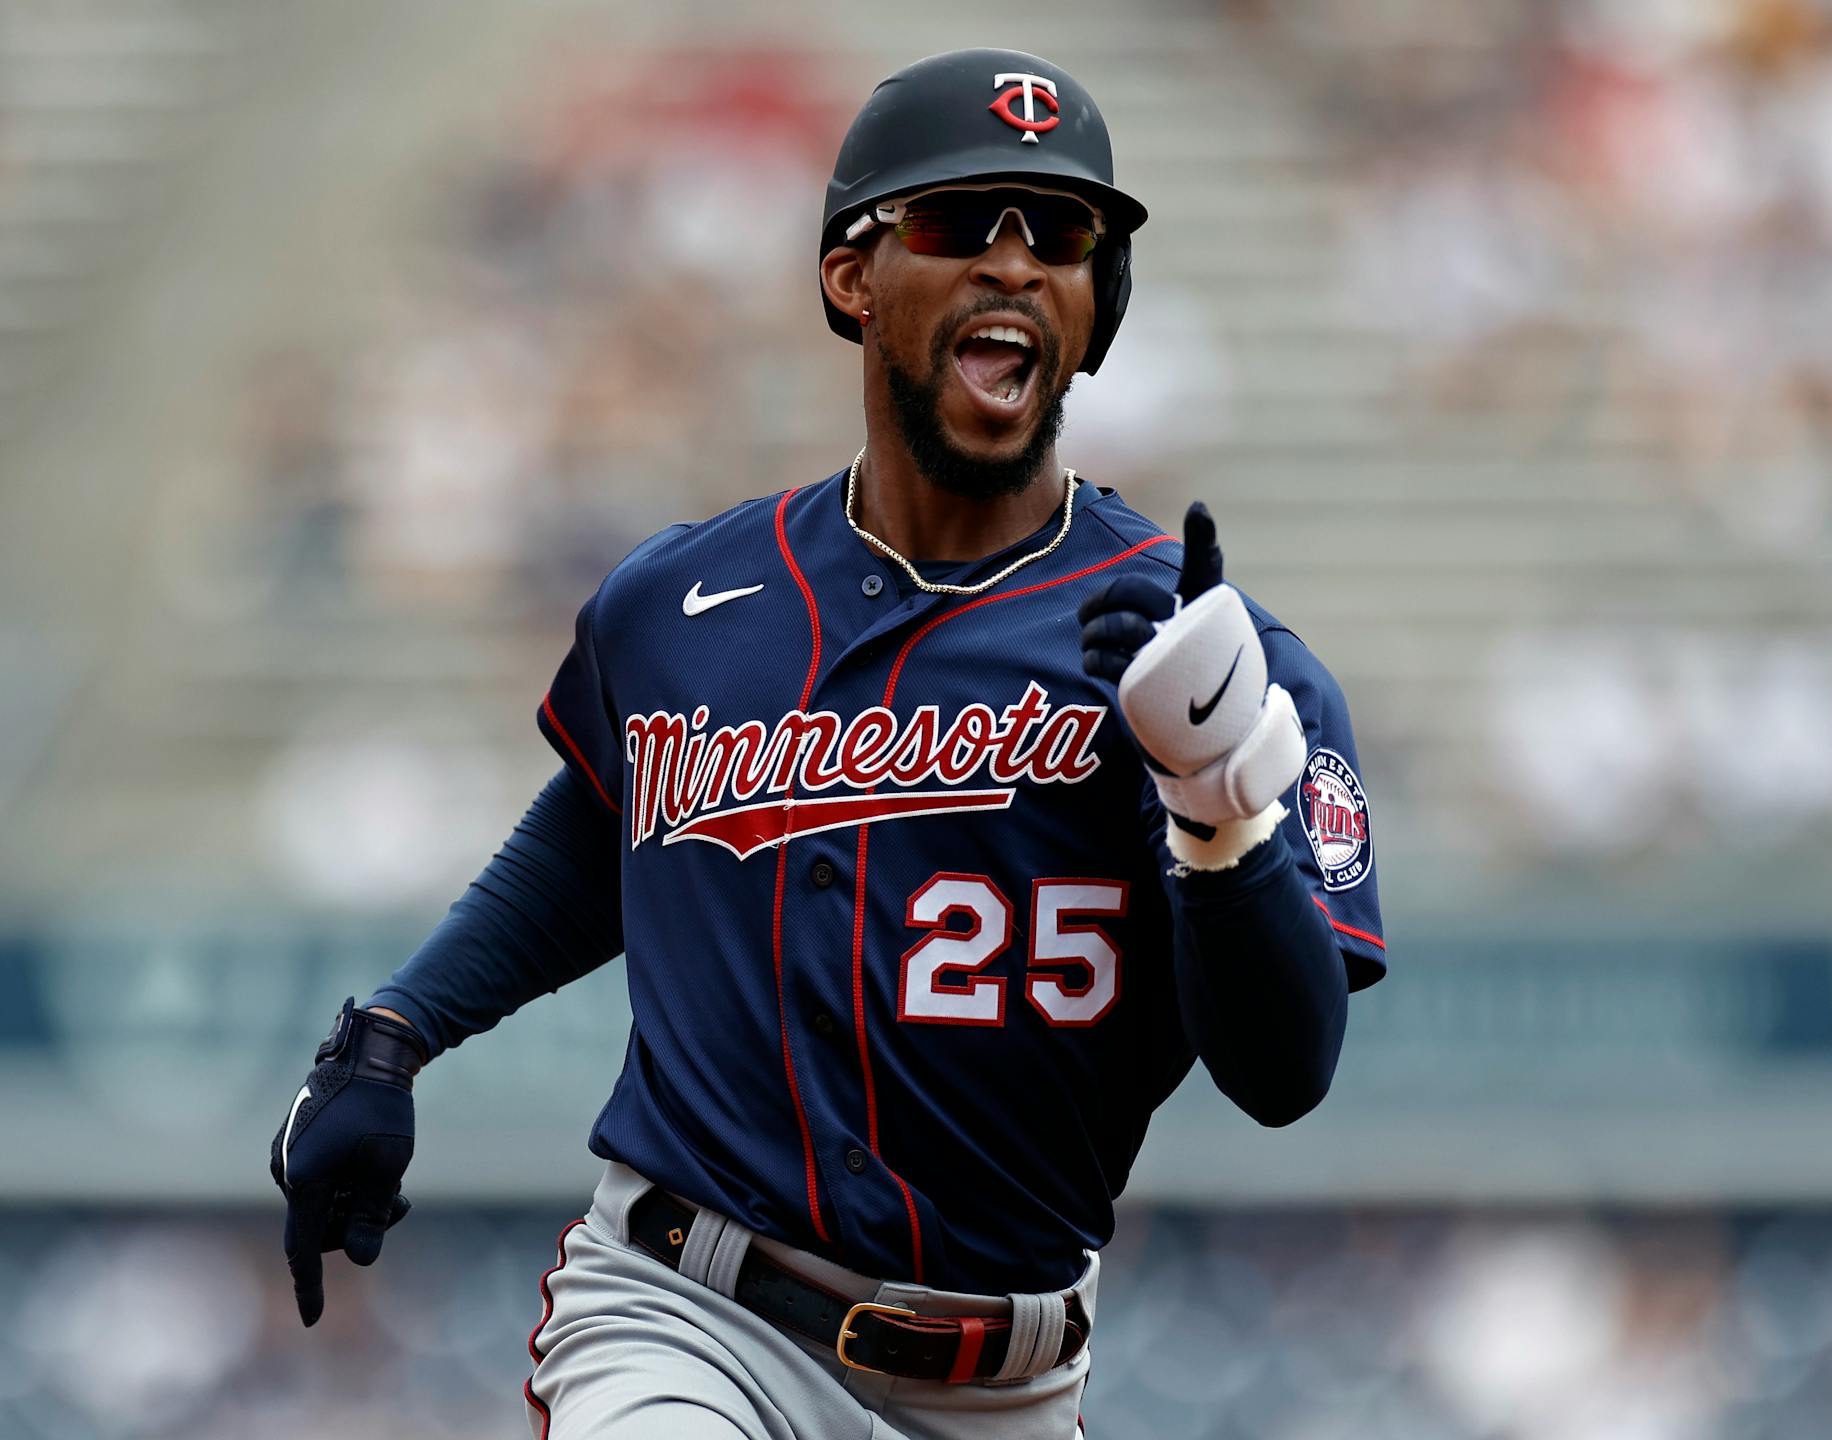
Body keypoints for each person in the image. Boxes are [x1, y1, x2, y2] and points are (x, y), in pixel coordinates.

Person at [270, 47, 1385, 1440]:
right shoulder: (681, 602)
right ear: (852, 278)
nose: (1015, 262)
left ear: (1100, 305)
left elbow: (1286, 1078)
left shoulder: (1217, 666)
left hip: (1006, 1385)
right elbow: (613, 817)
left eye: (1059, 234)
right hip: (688, 1314)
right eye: (956, 221)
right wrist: (394, 1031)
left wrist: (1218, 814)